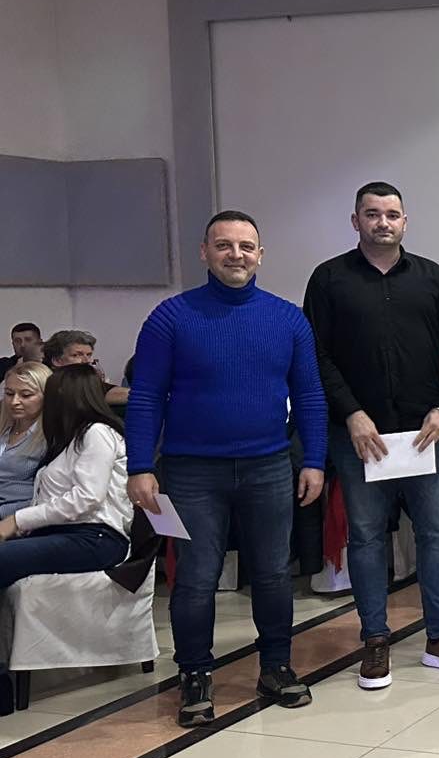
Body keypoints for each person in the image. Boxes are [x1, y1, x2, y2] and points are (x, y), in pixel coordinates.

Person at [126, 210, 327, 727]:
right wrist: (140, 465)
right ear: (204, 252)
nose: (235, 254)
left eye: (245, 246)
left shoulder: (288, 319)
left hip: (269, 465)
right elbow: (146, 396)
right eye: (224, 245)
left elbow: (309, 395)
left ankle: (276, 666)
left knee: (273, 573)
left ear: (260, 254)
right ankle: (194, 673)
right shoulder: (170, 318)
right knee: (196, 577)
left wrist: (313, 459)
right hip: (191, 471)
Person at [303, 181, 439, 690]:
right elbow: (316, 354)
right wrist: (352, 413)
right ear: (355, 220)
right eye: (372, 214)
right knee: (365, 536)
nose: (382, 222)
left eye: (391, 214)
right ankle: (375, 640)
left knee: (436, 533)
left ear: (405, 221)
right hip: (360, 437)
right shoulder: (329, 279)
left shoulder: (432, 278)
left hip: (425, 433)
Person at [0, 365, 132, 589]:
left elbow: (87, 498)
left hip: (94, 537)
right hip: (64, 531)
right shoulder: (71, 437)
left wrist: (17, 520)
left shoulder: (97, 432)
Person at [0, 362, 50, 519]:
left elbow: (44, 499)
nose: (14, 401)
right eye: (9, 393)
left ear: (46, 396)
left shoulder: (50, 437)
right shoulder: (4, 427)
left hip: (14, 516)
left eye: (26, 395)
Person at [43, 330, 129, 406]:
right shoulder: (42, 383)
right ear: (57, 360)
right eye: (76, 355)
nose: (87, 361)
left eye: (89, 355)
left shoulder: (86, 380)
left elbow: (108, 391)